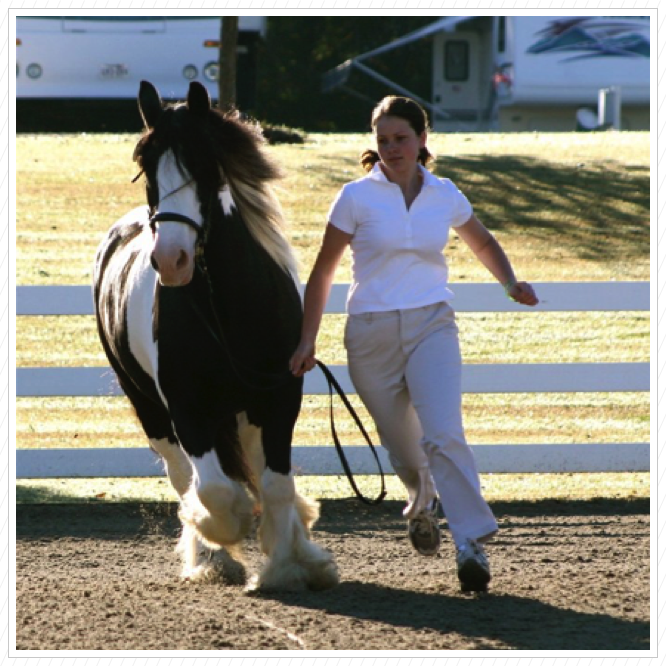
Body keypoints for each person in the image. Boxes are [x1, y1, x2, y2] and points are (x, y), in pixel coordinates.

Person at [289, 96, 539, 593]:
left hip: (432, 325)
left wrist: (509, 282)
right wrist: (307, 339)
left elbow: (482, 241)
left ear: (423, 139)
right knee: (405, 452)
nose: (391, 149)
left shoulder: (444, 193)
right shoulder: (355, 197)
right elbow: (323, 271)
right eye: (382, 141)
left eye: (401, 139)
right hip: (369, 335)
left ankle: (471, 544)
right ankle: (421, 503)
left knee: (443, 433)